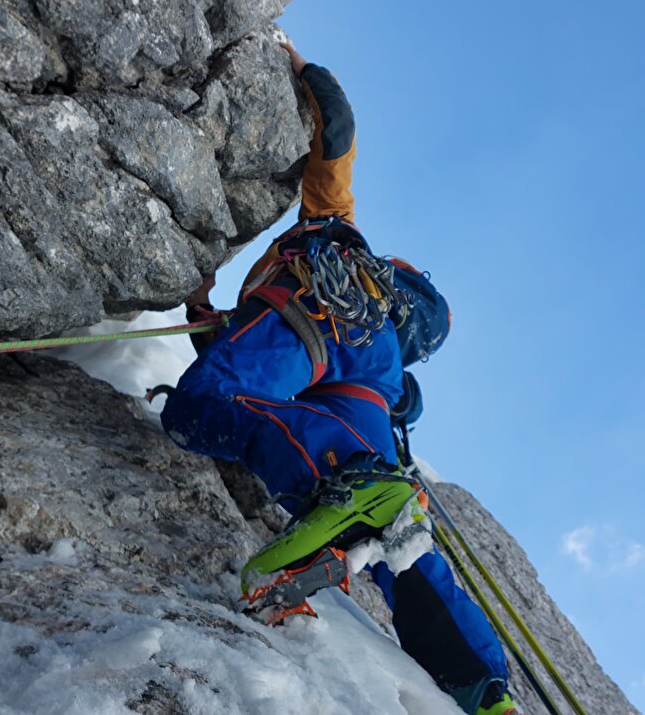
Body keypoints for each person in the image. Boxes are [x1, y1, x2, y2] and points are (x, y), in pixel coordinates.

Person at [161, 41, 518, 715]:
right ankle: (482, 686)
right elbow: (247, 357)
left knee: (197, 407)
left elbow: (338, 132)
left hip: (314, 309)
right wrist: (204, 309)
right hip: (363, 385)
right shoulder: (391, 349)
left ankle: (352, 490)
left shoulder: (334, 228)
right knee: (399, 542)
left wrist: (304, 70)